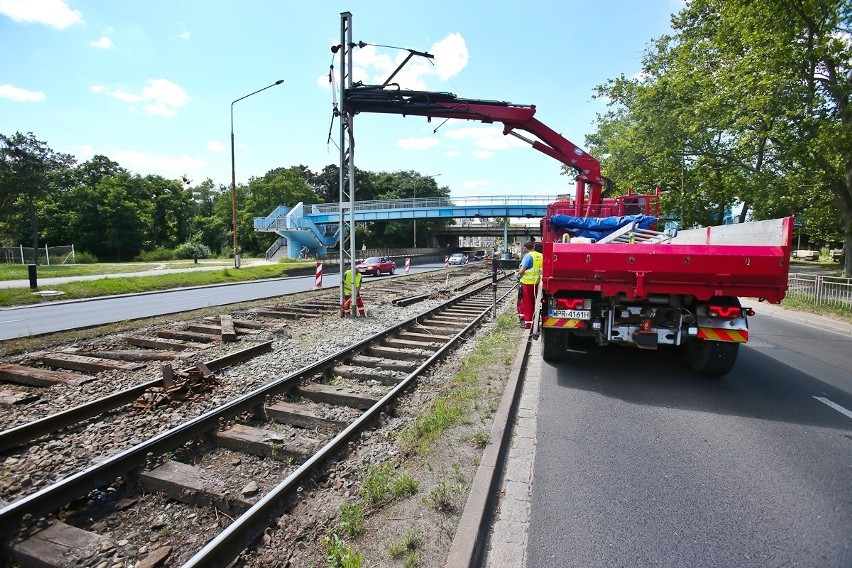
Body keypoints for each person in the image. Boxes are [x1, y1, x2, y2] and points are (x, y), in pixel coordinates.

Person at [516, 240, 542, 328]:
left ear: (525, 248)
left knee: (527, 303)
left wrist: (517, 273)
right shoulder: (540, 255)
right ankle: (536, 320)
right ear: (534, 247)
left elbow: (522, 270)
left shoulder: (528, 256)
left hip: (528, 283)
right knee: (536, 302)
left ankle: (528, 323)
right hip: (538, 283)